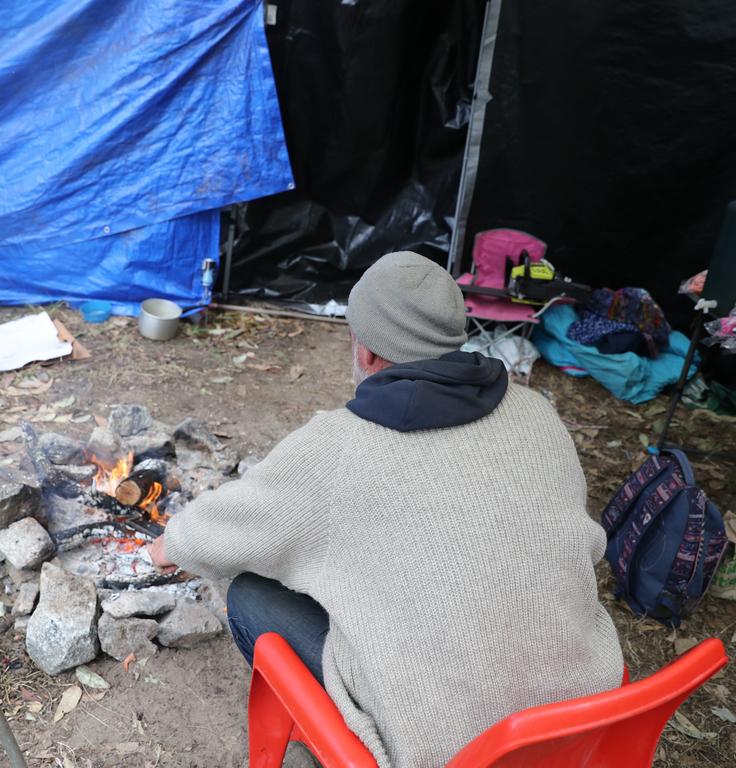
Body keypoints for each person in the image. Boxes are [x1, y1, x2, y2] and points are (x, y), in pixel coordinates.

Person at [147, 251, 623, 768]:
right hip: (585, 713)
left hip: (444, 748)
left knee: (251, 593)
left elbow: (229, 529)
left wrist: (168, 545)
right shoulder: (537, 413)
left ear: (367, 352)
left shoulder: (339, 446)